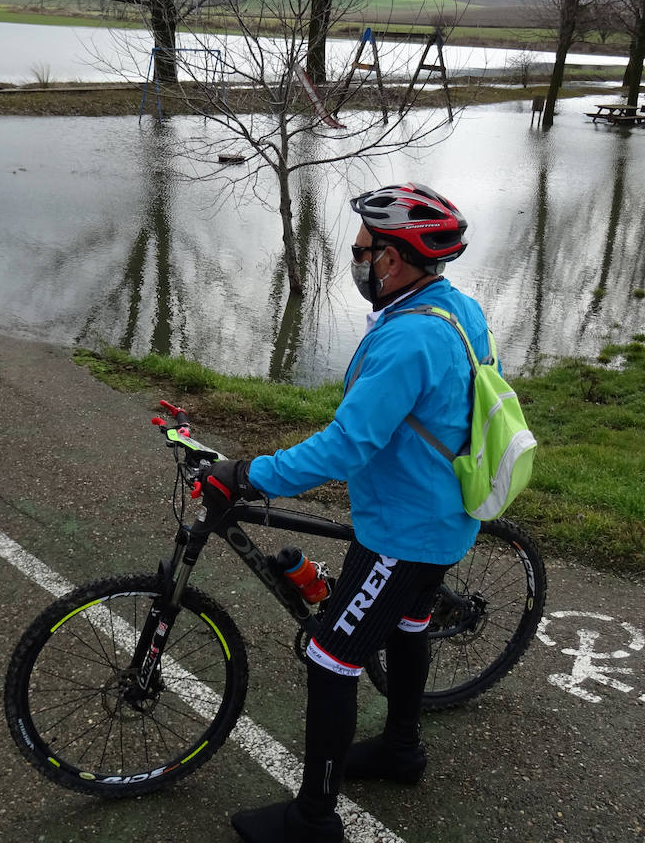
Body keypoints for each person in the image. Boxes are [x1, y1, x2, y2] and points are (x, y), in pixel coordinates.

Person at [202, 182, 491, 843]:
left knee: (331, 656)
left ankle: (314, 818)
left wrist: (247, 474)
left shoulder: (407, 340)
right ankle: (401, 750)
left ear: (391, 259)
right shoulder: (454, 307)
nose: (355, 257)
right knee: (410, 622)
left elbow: (345, 445)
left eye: (362, 247)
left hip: (404, 530)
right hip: (445, 514)